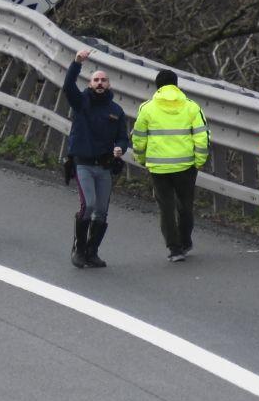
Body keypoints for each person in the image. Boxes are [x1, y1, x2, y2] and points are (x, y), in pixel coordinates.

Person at [132, 69, 209, 262]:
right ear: (176, 85)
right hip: (185, 165)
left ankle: (174, 249)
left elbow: (139, 138)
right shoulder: (192, 107)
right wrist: (199, 161)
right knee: (185, 206)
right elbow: (202, 137)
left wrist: (141, 159)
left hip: (158, 167)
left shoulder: (147, 108)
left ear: (157, 86)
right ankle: (185, 241)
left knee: (166, 208)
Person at [63, 49, 129, 268]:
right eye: (96, 80)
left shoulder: (116, 110)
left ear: (109, 84)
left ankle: (92, 252)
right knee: (88, 205)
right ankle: (78, 249)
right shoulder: (81, 103)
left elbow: (122, 138)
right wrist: (77, 63)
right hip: (83, 164)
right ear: (90, 84)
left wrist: (120, 148)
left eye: (103, 80)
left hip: (105, 167)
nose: (100, 83)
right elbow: (68, 86)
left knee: (101, 211)